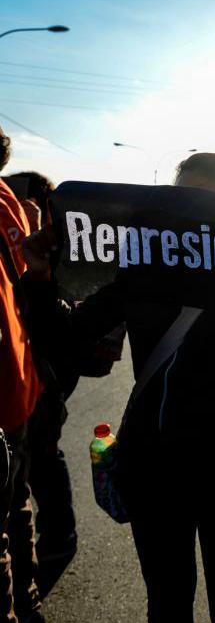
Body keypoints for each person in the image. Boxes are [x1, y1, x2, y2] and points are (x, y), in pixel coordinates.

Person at [20, 152, 215, 623]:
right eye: (181, 200)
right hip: (153, 465)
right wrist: (40, 279)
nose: (191, 214)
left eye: (204, 202)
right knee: (168, 605)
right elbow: (65, 343)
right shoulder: (141, 274)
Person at [2, 171, 80, 597]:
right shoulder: (21, 229)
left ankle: (44, 562)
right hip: (26, 375)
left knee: (40, 456)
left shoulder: (36, 237)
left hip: (38, 373)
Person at [0, 126, 45, 623]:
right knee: (16, 503)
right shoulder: (9, 202)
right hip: (18, 381)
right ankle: (29, 605)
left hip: (12, 383)